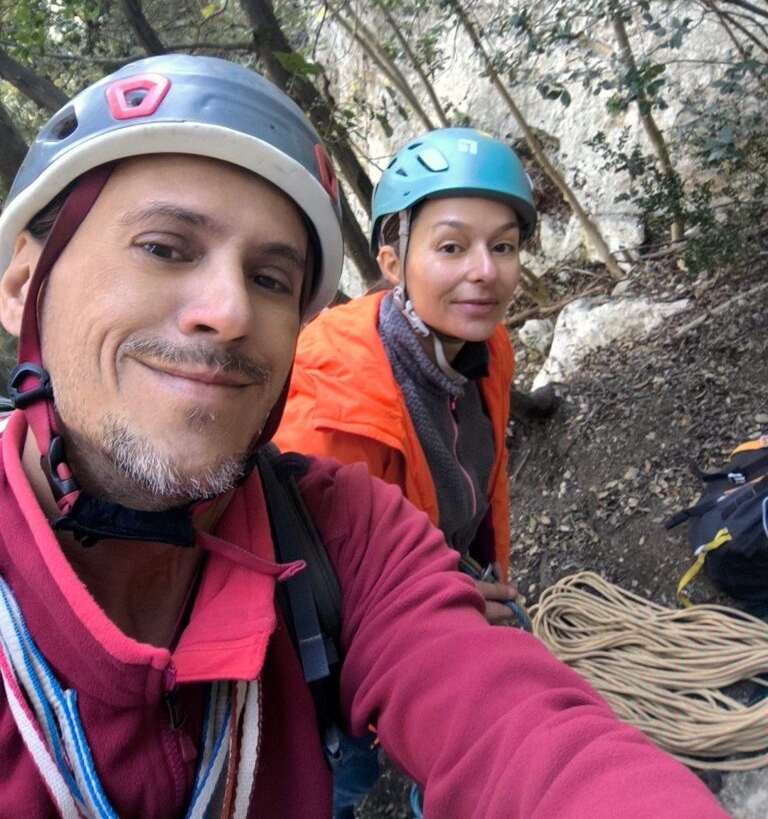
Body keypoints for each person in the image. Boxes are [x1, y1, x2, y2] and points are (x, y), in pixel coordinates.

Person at [0, 54, 727, 819]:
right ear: (22, 286)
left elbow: (519, 736)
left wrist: (474, 580)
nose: (230, 310)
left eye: (271, 279)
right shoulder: (334, 414)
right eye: (164, 247)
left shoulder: (346, 513)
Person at [275, 129, 535, 816]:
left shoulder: (485, 346)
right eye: (451, 247)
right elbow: (306, 586)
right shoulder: (332, 404)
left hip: (442, 587)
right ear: (392, 262)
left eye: (503, 246)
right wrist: (447, 603)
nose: (485, 271)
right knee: (338, 778)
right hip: (342, 654)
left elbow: (479, 478)